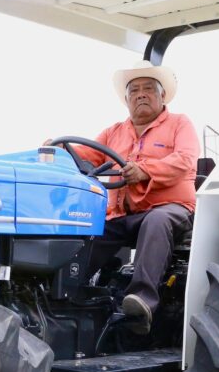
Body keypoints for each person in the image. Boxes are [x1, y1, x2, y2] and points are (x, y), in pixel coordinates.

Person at [66, 61, 199, 334]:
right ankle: (65, 292)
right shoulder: (113, 132)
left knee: (157, 221)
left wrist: (145, 170)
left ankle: (142, 302)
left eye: (149, 89)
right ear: (126, 100)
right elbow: (85, 155)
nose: (141, 94)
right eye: (134, 90)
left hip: (170, 209)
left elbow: (185, 160)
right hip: (122, 214)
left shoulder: (179, 124)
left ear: (163, 96)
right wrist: (57, 151)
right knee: (87, 228)